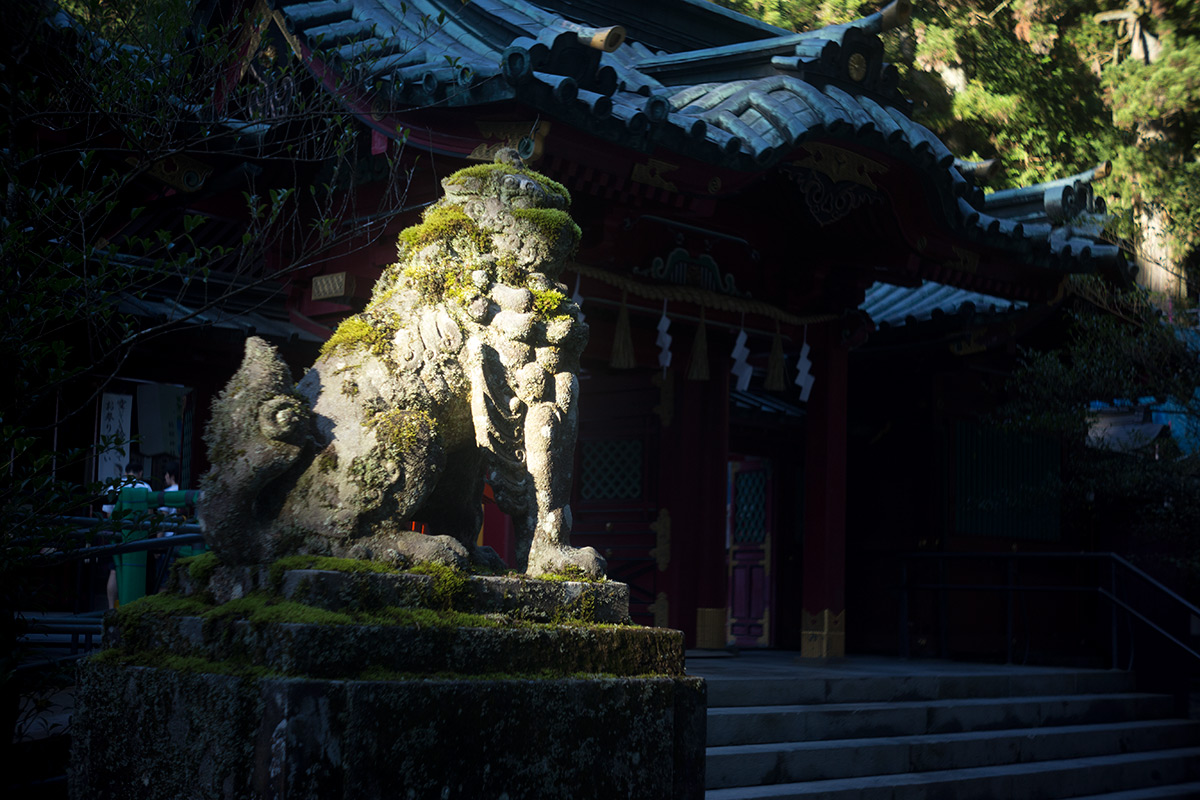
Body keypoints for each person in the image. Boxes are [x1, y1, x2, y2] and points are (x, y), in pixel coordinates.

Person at [104, 462, 151, 608]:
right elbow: (149, 515)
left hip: (117, 534)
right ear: (140, 472)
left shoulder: (114, 487)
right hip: (139, 536)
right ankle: (135, 607)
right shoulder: (145, 487)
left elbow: (108, 514)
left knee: (114, 570)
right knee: (139, 571)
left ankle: (111, 609)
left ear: (125, 472)